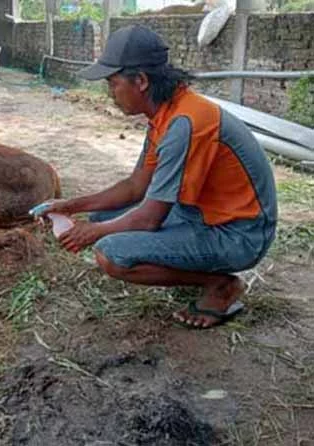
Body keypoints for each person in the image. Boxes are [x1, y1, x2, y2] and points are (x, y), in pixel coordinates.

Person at [33, 24, 278, 329]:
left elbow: (149, 218)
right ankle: (202, 272)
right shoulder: (166, 114)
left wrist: (92, 234)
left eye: (113, 83)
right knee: (100, 217)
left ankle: (220, 284)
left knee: (111, 254)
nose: (110, 93)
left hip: (240, 234)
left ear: (141, 81)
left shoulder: (185, 123)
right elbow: (136, 186)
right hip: (202, 216)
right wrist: (71, 206)